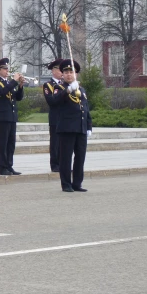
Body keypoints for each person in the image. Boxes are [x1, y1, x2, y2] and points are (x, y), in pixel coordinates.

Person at [56, 59, 92, 193]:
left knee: (80, 157)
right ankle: (66, 184)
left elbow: (85, 109)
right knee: (66, 158)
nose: (69, 74)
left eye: (71, 72)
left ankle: (77, 183)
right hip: (67, 128)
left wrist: (89, 126)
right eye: (66, 72)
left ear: (75, 74)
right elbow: (54, 101)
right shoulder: (59, 88)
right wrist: (68, 90)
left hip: (80, 127)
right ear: (62, 74)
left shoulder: (81, 89)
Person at [0, 57, 24, 176]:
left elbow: (18, 97)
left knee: (11, 143)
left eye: (7, 68)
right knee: (3, 143)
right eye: (4, 69)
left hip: (12, 116)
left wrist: (20, 86)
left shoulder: (8, 83)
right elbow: (0, 93)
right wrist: (14, 81)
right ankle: (3, 167)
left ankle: (9, 166)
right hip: (3, 117)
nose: (7, 70)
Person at [43, 58, 64, 172]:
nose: (62, 73)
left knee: (63, 143)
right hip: (55, 118)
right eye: (60, 70)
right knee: (55, 143)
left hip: (64, 118)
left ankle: (63, 163)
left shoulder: (65, 84)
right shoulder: (48, 85)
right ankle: (55, 164)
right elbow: (51, 101)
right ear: (54, 71)